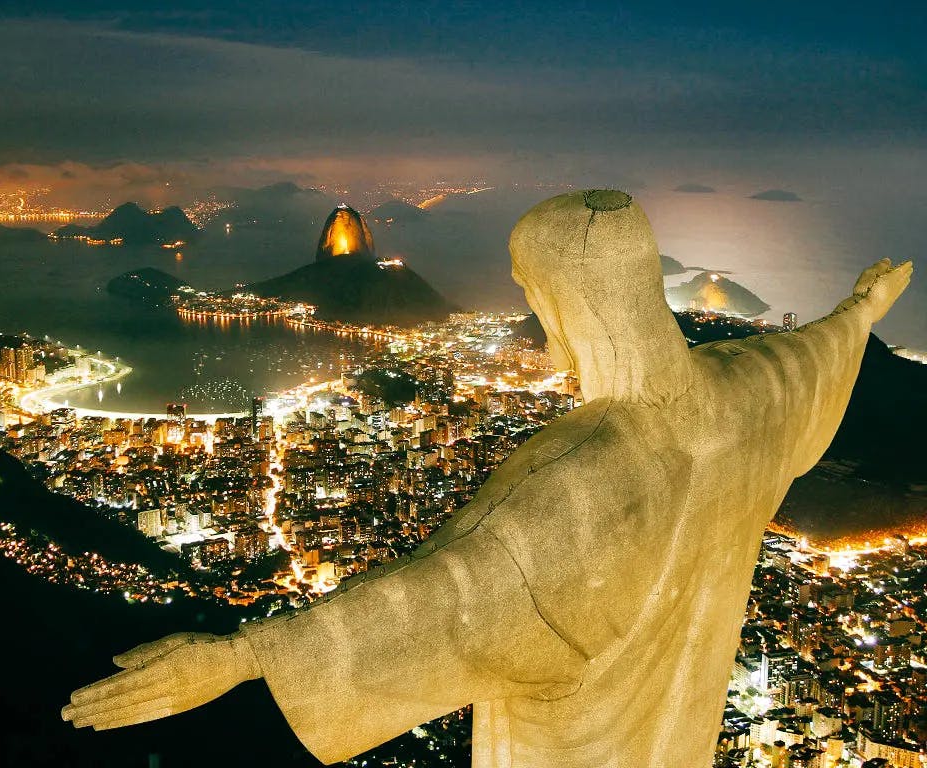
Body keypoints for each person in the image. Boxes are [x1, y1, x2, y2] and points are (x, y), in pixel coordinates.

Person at [63, 190, 913, 768]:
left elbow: (444, 597)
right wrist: (863, 309)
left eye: (536, 299)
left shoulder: (580, 479)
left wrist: (243, 657)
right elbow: (816, 354)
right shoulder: (744, 395)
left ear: (567, 305)